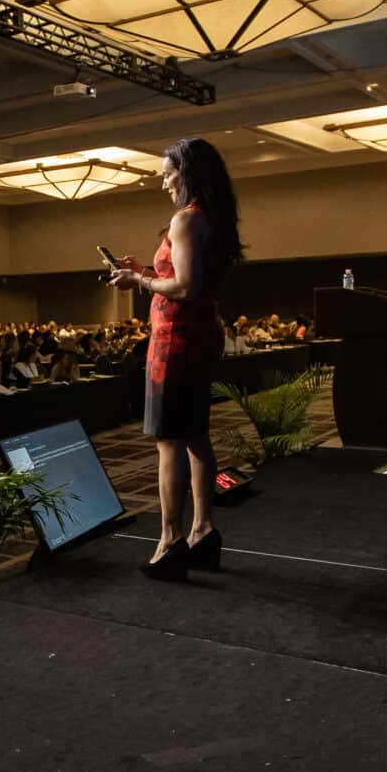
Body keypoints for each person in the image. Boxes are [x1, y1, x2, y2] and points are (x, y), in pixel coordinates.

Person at [107, 137, 242, 580]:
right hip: (198, 338)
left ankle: (170, 542)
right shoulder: (211, 217)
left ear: (189, 173)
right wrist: (145, 272)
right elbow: (191, 281)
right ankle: (203, 531)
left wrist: (138, 282)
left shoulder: (185, 219)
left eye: (168, 174)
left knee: (169, 441)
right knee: (196, 437)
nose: (164, 182)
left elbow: (183, 287)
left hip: (175, 343)